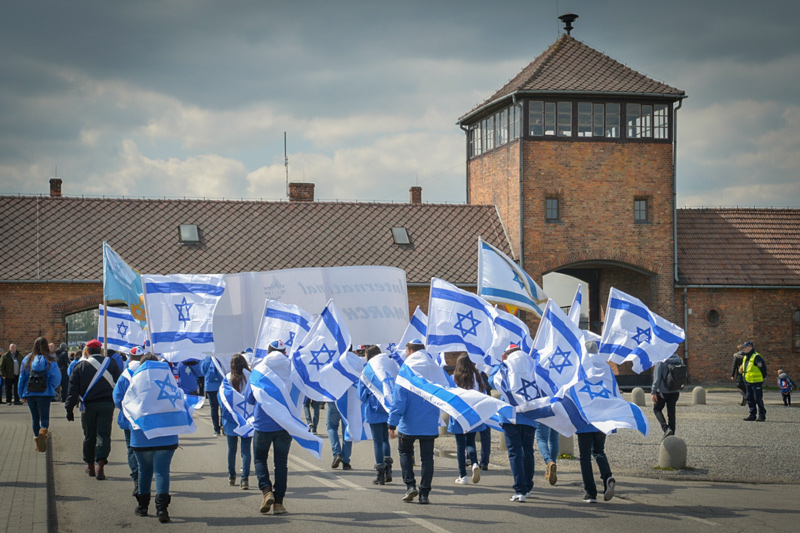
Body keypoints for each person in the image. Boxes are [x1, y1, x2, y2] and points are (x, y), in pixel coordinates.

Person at [121, 353, 188, 523]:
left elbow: (123, 402)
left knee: (144, 470)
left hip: (141, 435)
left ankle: (143, 506)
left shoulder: (134, 380)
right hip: (166, 434)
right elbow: (180, 398)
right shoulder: (168, 379)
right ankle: (162, 509)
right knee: (162, 471)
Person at [388, 339, 440, 504]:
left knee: (405, 453)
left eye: (406, 350)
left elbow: (399, 400)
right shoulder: (434, 368)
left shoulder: (406, 369)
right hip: (429, 422)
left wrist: (392, 423)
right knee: (427, 458)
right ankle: (424, 493)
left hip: (408, 423)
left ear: (410, 350)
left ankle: (410, 486)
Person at [65, 338, 122, 479]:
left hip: (88, 406)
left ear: (87, 351)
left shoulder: (80, 366)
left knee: (89, 435)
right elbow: (119, 384)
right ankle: (101, 464)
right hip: (107, 404)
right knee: (103, 434)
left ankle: (90, 465)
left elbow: (72, 390)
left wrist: (69, 408)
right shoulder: (112, 364)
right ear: (100, 350)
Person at [246, 340, 291, 515]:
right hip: (284, 423)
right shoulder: (291, 370)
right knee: (281, 464)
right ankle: (278, 504)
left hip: (263, 423)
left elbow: (249, 399)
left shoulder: (259, 370)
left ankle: (266, 491)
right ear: (284, 352)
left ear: (268, 352)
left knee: (259, 459)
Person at [489, 344, 536, 502]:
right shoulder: (531, 366)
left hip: (510, 416)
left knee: (515, 453)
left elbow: (492, 381)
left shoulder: (506, 367)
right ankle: (528, 487)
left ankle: (520, 490)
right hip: (529, 415)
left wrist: (501, 363)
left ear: (507, 355)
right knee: (528, 452)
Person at [357, 345, 393, 485]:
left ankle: (380, 473)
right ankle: (389, 468)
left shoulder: (367, 371)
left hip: (373, 410)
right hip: (388, 409)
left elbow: (360, 394)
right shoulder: (388, 367)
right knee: (385, 440)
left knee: (377, 442)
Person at [19, 337, 62, 452]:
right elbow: (57, 378)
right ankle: (43, 431)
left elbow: (22, 378)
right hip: (45, 393)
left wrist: (21, 394)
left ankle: (38, 443)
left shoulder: (27, 359)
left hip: (30, 393)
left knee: (34, 418)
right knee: (44, 416)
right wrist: (51, 387)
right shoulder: (50, 359)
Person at [112, 346, 145, 497]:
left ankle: (137, 479)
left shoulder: (125, 375)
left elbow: (117, 397)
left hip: (129, 418)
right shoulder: (148, 372)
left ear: (130, 358)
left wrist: (127, 409)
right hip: (146, 418)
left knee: (131, 449)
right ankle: (145, 477)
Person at [448, 354, 484, 485]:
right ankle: (474, 463)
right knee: (470, 442)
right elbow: (483, 394)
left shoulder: (454, 378)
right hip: (473, 414)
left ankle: (462, 476)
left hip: (458, 414)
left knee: (460, 446)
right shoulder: (477, 378)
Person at [222, 353, 253, 489]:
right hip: (246, 417)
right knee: (245, 450)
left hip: (231, 418)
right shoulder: (251, 377)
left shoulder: (227, 378)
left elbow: (222, 399)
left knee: (231, 449)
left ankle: (231, 476)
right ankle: (245, 479)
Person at [576, 424, 616, 503]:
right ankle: (607, 476)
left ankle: (590, 493)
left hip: (585, 424)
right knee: (599, 451)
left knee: (585, 457)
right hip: (601, 423)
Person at [651, 353, 683, 439]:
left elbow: (657, 378)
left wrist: (653, 392)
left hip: (662, 392)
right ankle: (671, 437)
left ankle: (666, 429)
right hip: (675, 391)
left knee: (657, 409)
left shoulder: (661, 361)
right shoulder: (679, 359)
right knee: (671, 413)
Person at [740, 340, 767, 421]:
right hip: (748, 381)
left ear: (750, 347)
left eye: (745, 347)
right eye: (743, 347)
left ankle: (762, 415)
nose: (744, 349)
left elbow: (763, 368)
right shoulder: (745, 357)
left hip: (756, 382)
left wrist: (763, 377)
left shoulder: (756, 356)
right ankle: (752, 415)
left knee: (758, 399)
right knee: (749, 398)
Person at [200, 355, 223, 436]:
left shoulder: (206, 358)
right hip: (221, 385)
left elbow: (202, 371)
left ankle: (216, 429)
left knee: (213, 408)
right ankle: (223, 427)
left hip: (210, 386)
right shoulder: (221, 356)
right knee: (223, 407)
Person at [327, 400, 352, 470]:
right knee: (347, 431)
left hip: (333, 400)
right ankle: (346, 461)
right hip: (347, 401)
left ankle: (337, 453)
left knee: (331, 427)